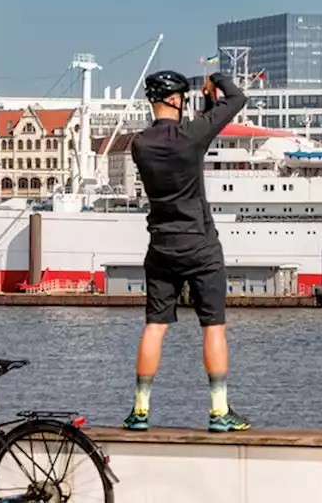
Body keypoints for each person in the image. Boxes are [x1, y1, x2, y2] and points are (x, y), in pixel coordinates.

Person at [123, 69, 251, 433]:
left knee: (155, 326)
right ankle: (218, 411)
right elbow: (237, 99)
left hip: (161, 245)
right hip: (200, 244)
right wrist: (216, 80)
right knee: (213, 327)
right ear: (178, 100)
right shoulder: (192, 135)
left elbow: (171, 140)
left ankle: (140, 411)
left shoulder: (139, 144)